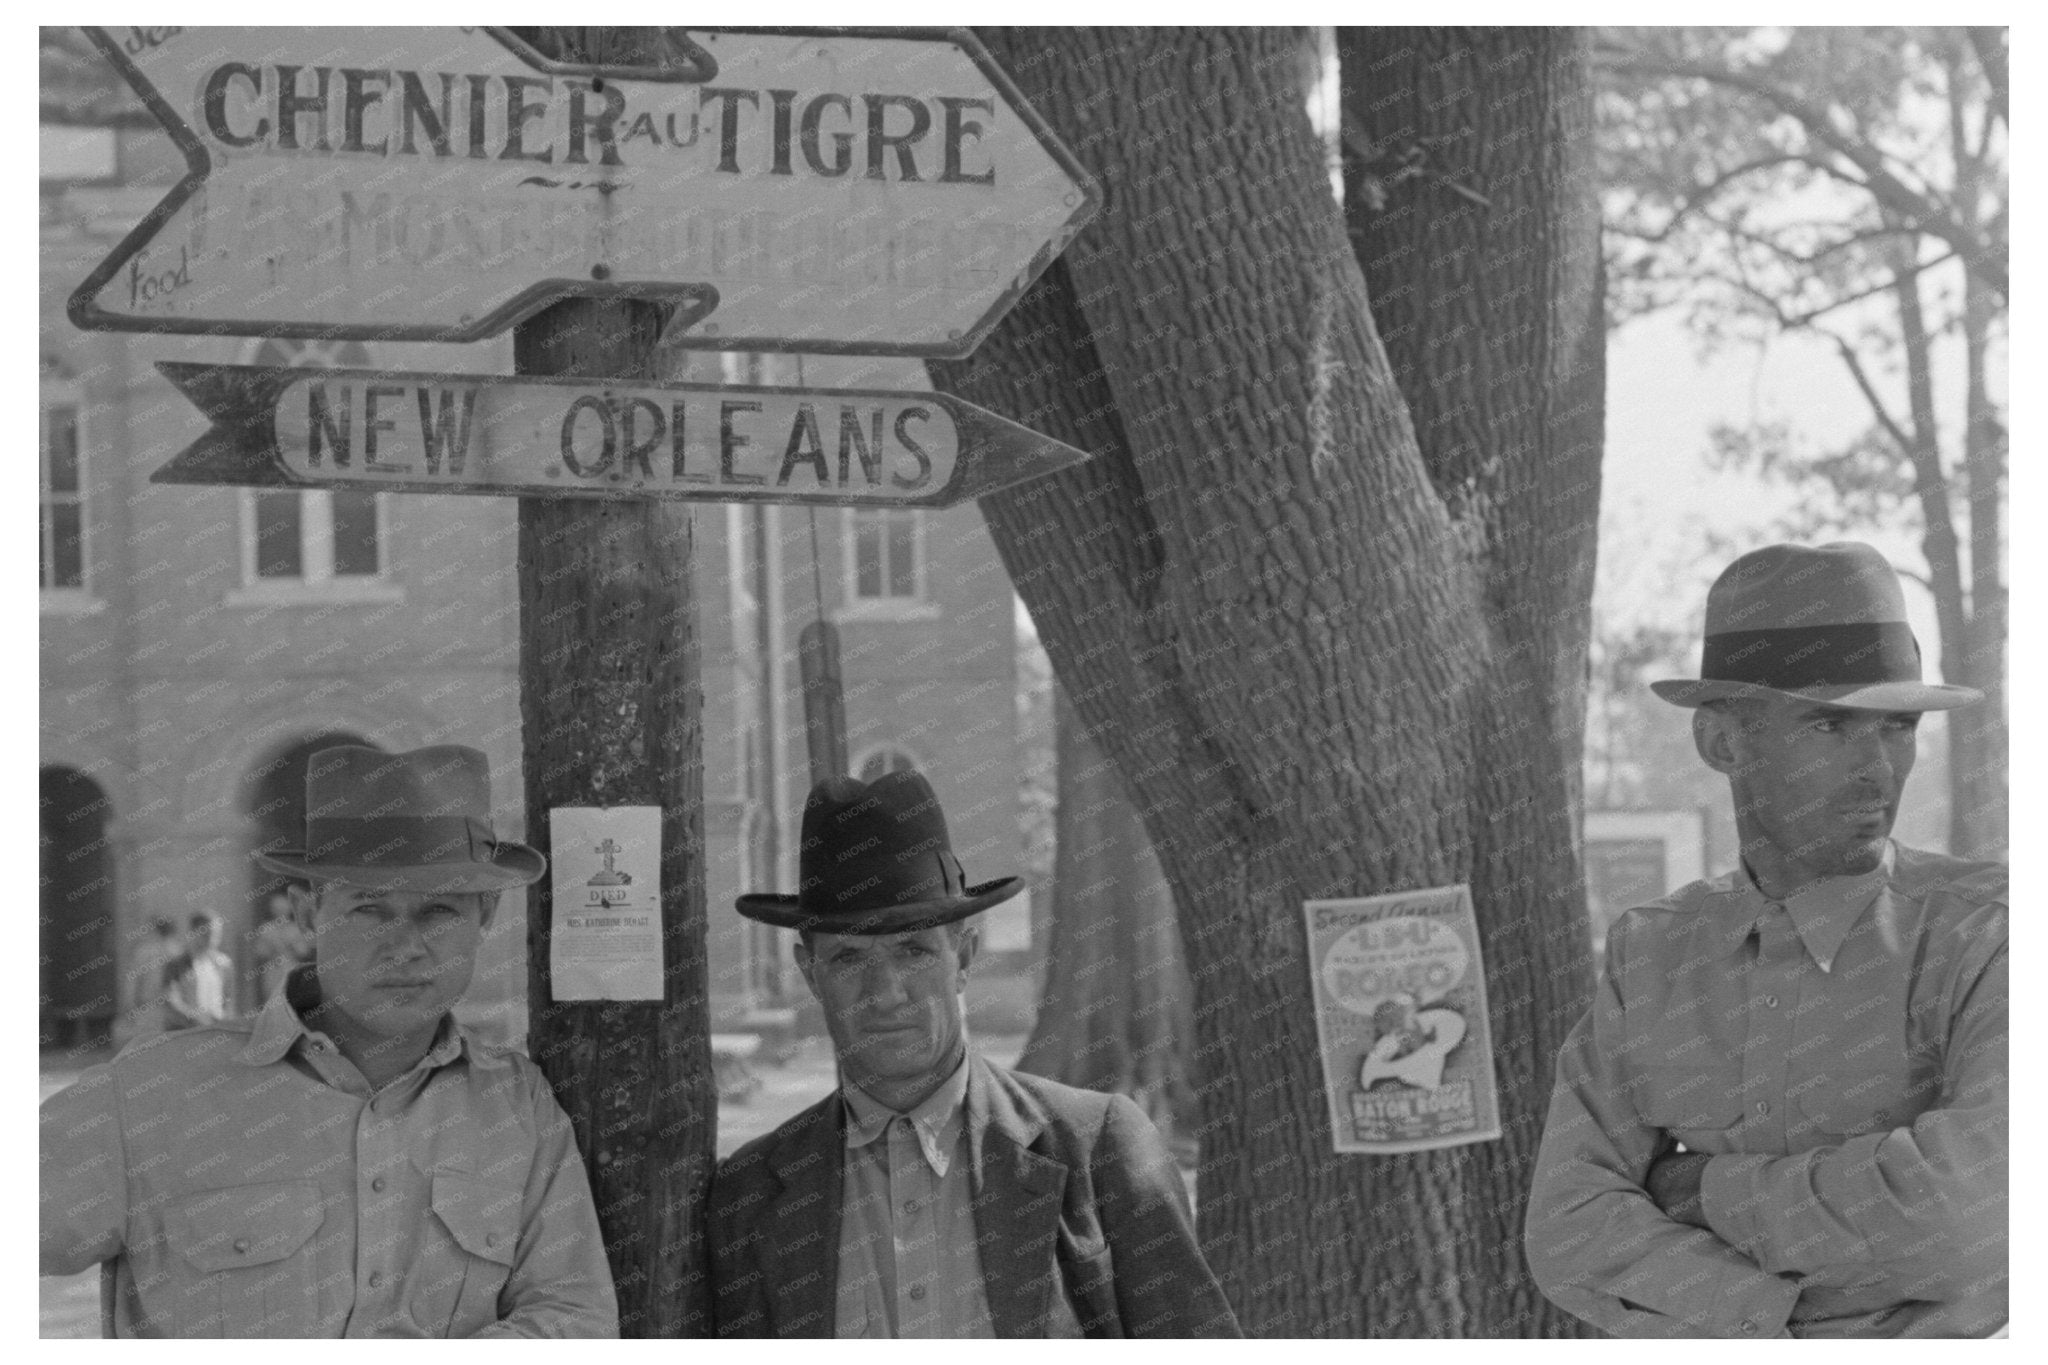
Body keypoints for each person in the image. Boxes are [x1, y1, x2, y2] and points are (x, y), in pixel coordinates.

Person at [1525, 542, 2006, 1338]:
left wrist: (1698, 1190)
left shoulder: (1986, 934)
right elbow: (1569, 1229)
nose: (1877, 767)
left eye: (1897, 726)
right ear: (1721, 744)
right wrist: (1782, 1313)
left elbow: (1973, 1216)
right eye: (1830, 723)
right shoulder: (1653, 955)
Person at [40, 744, 618, 1337]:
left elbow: (574, 1317)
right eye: (369, 908)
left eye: (439, 910)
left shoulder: (516, 1108)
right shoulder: (153, 1092)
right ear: (308, 912)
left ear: (486, 914)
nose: (405, 945)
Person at [708, 769, 1240, 1339]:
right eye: (848, 959)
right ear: (810, 975)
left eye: (912, 951)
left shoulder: (1097, 1150)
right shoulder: (750, 1195)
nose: (886, 993)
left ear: (963, 957)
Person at [160, 911, 233, 1030]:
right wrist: (197, 1019)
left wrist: (226, 1022)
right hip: (186, 1034)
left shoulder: (223, 964)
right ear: (194, 933)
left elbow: (228, 1000)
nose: (212, 940)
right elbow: (171, 1000)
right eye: (207, 934)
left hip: (216, 1033)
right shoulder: (176, 964)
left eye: (216, 935)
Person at [116, 918, 179, 1047]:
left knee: (148, 1050)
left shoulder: (143, 952)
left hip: (148, 1009)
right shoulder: (178, 951)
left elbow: (132, 983)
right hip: (174, 1010)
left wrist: (129, 1006)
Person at [253, 887, 314, 1001]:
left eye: (282, 908)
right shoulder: (266, 929)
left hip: (291, 969)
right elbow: (260, 953)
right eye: (276, 908)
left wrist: (291, 945)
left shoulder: (295, 929)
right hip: (273, 971)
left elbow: (304, 952)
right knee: (272, 999)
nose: (280, 912)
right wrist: (271, 947)